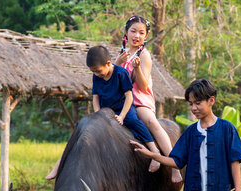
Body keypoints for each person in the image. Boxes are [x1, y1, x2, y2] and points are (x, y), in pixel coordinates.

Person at [46, 45, 159, 180]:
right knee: (79, 127)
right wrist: (97, 114)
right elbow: (95, 98)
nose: (97, 74)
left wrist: (122, 116)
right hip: (105, 110)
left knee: (133, 122)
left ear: (108, 64)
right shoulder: (96, 76)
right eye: (93, 72)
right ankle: (59, 165)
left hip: (123, 108)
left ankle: (155, 152)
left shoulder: (121, 73)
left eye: (98, 71)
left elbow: (129, 97)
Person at [115, 15, 182, 183]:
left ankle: (174, 167)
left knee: (151, 121)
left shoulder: (144, 55)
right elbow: (113, 78)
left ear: (146, 36)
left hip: (139, 99)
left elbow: (143, 86)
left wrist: (136, 69)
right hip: (122, 99)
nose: (136, 36)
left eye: (141, 33)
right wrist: (117, 62)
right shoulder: (122, 53)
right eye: (133, 31)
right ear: (126, 32)